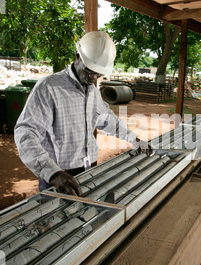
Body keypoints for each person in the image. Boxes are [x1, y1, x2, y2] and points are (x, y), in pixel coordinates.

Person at [14, 31, 151, 197]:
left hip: (89, 169)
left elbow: (107, 119)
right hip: (60, 177)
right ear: (77, 56)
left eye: (98, 73)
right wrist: (53, 173)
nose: (93, 77)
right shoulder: (49, 88)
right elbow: (25, 133)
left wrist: (133, 139)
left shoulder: (92, 90)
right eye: (89, 71)